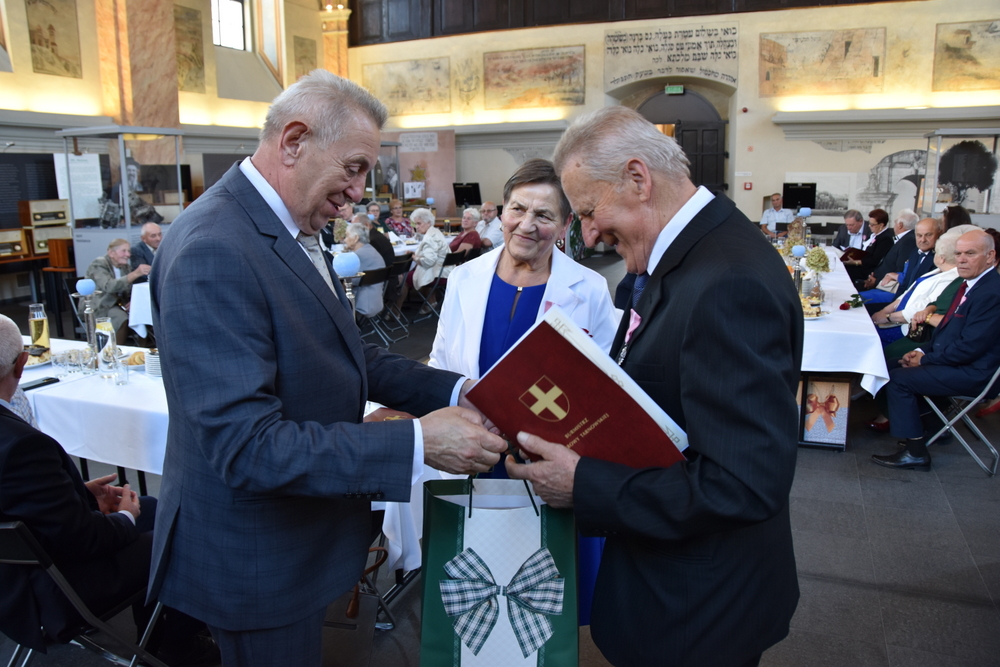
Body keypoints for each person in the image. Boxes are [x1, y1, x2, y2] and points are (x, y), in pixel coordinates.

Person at [147, 70, 505, 667]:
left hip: (297, 538)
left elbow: (344, 352)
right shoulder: (215, 246)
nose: (360, 191)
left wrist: (462, 391)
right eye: (354, 167)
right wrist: (417, 443)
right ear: (293, 141)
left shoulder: (285, 226)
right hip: (257, 557)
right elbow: (247, 447)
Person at [507, 106, 802, 667]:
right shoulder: (689, 257)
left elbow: (743, 483)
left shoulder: (727, 282)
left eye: (590, 211)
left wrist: (584, 482)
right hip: (673, 582)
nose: (588, 232)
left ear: (639, 179)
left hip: (698, 607)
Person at [0, 315, 217, 666]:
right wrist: (124, 519)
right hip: (49, 588)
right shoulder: (22, 446)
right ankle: (178, 647)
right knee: (182, 531)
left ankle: (158, 631)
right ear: (22, 364)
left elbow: (18, 501)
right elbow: (82, 539)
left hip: (20, 566)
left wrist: (76, 494)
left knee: (151, 505)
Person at [871, 230, 1000, 471]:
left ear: (991, 256)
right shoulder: (969, 285)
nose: (961, 259)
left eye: (970, 254)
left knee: (898, 380)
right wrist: (919, 351)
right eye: (958, 253)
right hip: (958, 361)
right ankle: (931, 427)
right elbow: (948, 334)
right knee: (887, 366)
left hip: (975, 373)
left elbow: (970, 347)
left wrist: (926, 359)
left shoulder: (991, 292)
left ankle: (915, 451)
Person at [861, 217, 939, 313]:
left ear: (939, 234)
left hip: (915, 309)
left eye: (928, 235)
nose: (923, 240)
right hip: (900, 300)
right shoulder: (915, 252)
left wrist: (891, 313)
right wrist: (891, 307)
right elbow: (905, 284)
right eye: (919, 235)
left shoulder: (938, 259)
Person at [86, 238, 149, 343]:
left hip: (120, 304)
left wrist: (133, 302)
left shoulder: (125, 267)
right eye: (123, 251)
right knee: (121, 318)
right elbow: (108, 286)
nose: (128, 254)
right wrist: (135, 273)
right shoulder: (98, 265)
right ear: (111, 252)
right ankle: (117, 350)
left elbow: (129, 289)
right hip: (101, 305)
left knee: (143, 313)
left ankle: (143, 352)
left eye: (129, 251)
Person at [399, 207, 449, 315]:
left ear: (428, 223)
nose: (416, 227)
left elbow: (428, 262)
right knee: (414, 272)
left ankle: (396, 311)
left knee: (403, 278)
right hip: (444, 271)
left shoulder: (429, 238)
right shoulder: (436, 232)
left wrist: (414, 257)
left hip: (436, 274)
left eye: (419, 223)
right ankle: (431, 302)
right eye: (415, 224)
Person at [863, 208, 920, 290]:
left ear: (900, 225)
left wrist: (876, 281)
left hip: (884, 285)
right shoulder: (905, 238)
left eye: (895, 222)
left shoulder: (908, 241)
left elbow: (899, 269)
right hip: (878, 279)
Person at [343, 218, 386, 318]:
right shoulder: (370, 250)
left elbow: (348, 281)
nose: (345, 240)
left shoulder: (358, 256)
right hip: (375, 300)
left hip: (363, 302)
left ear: (356, 238)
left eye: (347, 236)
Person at [843, 209, 892, 284]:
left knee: (845, 271)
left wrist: (855, 262)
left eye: (872, 225)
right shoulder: (875, 234)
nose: (869, 226)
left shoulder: (885, 238)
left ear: (881, 225)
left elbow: (875, 260)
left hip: (870, 270)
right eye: (869, 223)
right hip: (864, 265)